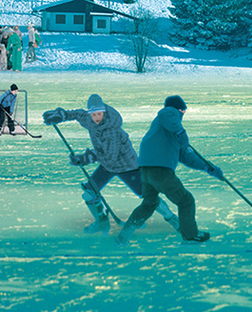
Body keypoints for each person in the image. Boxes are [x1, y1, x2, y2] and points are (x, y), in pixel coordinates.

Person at [44, 95, 181, 235]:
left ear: (103, 112)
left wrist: (87, 158)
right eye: (93, 114)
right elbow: (79, 114)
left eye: (99, 114)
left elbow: (110, 157)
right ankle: (102, 222)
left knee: (147, 195)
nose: (97, 117)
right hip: (107, 165)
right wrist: (62, 116)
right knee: (89, 194)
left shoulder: (111, 130)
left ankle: (172, 219)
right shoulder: (90, 120)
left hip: (127, 166)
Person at [116, 95, 222, 244]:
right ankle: (190, 235)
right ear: (178, 109)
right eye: (182, 111)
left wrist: (208, 167)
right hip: (161, 172)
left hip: (146, 172)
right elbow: (166, 112)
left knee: (149, 204)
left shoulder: (164, 132)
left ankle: (124, 235)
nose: (182, 115)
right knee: (186, 201)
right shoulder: (167, 114)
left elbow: (186, 156)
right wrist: (180, 132)